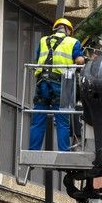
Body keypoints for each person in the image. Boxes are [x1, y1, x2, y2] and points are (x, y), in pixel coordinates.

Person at [29, 18, 85, 152]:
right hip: (60, 84)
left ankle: (34, 150)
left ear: (55, 28)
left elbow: (38, 59)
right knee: (62, 122)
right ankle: (63, 151)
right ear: (69, 31)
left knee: (38, 120)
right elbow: (79, 60)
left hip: (42, 83)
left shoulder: (43, 40)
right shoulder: (73, 42)